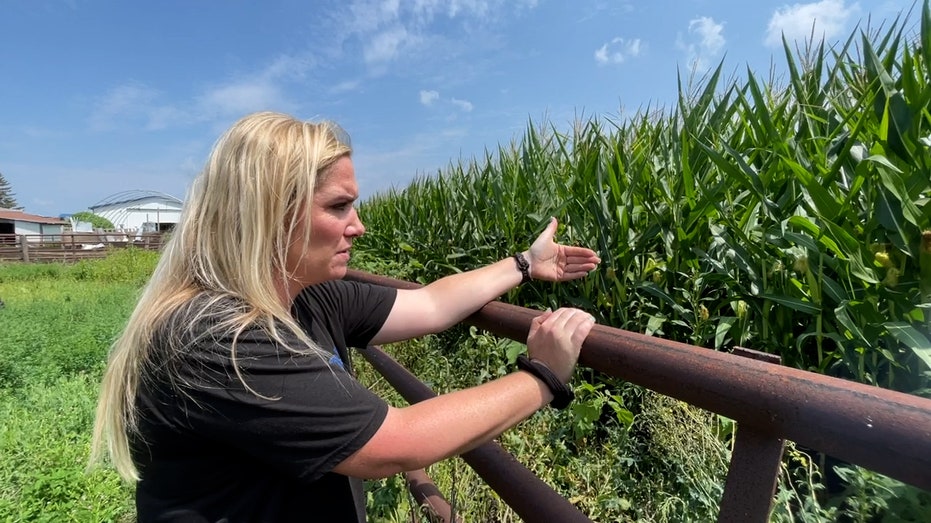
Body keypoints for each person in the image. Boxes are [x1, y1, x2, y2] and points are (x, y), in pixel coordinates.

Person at [90, 111, 601, 522]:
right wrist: (543, 376)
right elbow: (396, 443)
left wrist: (524, 265)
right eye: (339, 207)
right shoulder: (215, 335)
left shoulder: (305, 295)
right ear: (271, 212)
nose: (358, 226)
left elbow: (431, 304)